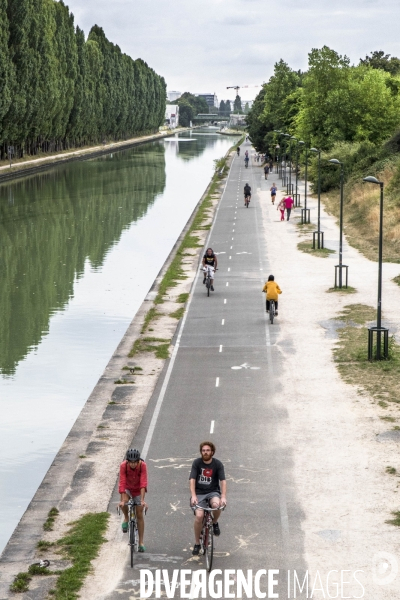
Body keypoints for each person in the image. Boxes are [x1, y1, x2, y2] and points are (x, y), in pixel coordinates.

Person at [189, 441, 227, 556]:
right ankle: (197, 543)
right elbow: (192, 480)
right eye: (203, 450)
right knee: (199, 516)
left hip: (213, 492)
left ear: (212, 452)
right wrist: (194, 495)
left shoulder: (218, 464)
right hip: (199, 493)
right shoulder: (197, 463)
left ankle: (214, 522)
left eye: (208, 450)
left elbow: (223, 481)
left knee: (217, 505)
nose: (205, 452)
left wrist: (223, 497)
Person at [118, 448, 148, 552]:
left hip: (138, 490)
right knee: (124, 502)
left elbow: (143, 483)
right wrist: (122, 500)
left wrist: (142, 500)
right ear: (128, 461)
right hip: (127, 488)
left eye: (135, 462)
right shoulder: (123, 466)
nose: (133, 464)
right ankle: (126, 517)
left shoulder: (143, 465)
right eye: (131, 462)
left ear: (138, 460)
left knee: (139, 515)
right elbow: (122, 482)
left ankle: (141, 542)